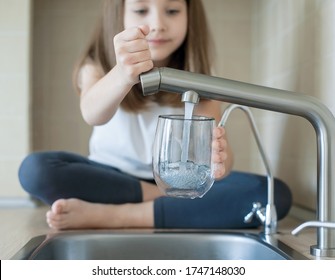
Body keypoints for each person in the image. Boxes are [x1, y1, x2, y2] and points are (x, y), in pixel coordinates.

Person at [18, 0, 292, 230]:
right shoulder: (97, 64)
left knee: (272, 194)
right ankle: (164, 205)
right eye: (141, 11)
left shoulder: (204, 77)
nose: (158, 24)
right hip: (112, 179)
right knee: (35, 171)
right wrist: (123, 74)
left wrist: (218, 161)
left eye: (172, 11)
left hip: (179, 181)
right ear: (119, 13)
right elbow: (92, 113)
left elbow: (220, 164)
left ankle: (110, 216)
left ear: (189, 15)